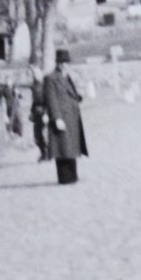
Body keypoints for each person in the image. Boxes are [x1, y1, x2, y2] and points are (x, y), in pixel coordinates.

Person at [42, 48, 87, 184]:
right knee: (62, 148)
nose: (66, 65)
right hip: (62, 117)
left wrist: (79, 96)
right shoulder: (50, 78)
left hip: (71, 117)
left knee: (71, 147)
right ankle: (65, 178)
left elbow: (72, 93)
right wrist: (56, 118)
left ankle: (73, 175)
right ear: (58, 63)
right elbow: (51, 99)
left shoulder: (66, 77)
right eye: (64, 62)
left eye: (67, 62)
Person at [29, 65, 49, 162]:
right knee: (37, 135)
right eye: (33, 73)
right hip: (36, 112)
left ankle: (47, 154)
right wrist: (31, 112)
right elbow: (34, 100)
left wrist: (46, 113)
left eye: (36, 73)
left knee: (45, 134)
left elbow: (49, 100)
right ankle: (43, 153)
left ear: (41, 73)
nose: (35, 75)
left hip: (44, 112)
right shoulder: (34, 85)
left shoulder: (46, 85)